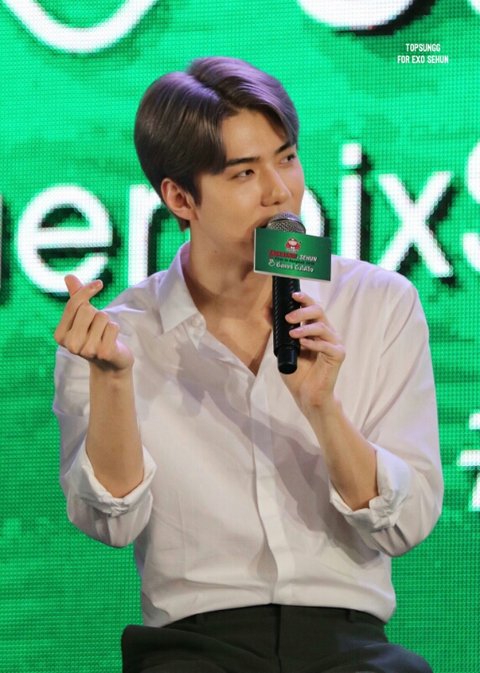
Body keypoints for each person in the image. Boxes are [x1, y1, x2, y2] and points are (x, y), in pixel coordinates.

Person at [53, 57, 443, 673]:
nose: (279, 191)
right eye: (244, 172)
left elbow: (407, 525)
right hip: (195, 643)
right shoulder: (119, 336)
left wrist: (323, 408)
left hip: (348, 641)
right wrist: (114, 382)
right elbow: (110, 523)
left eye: (286, 158)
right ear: (180, 198)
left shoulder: (378, 302)